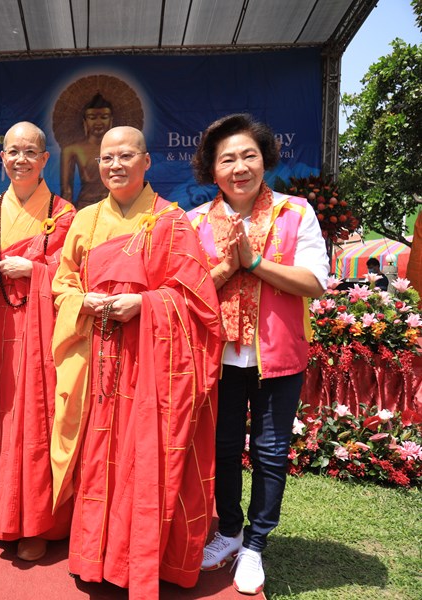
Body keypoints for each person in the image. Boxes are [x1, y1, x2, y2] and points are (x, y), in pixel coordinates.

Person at [51, 126, 221, 597]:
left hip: (154, 369)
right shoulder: (84, 220)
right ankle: (96, 556)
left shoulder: (172, 221)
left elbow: (198, 302)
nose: (115, 166)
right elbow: (62, 284)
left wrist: (145, 306)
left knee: (146, 458)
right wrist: (82, 302)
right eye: (107, 158)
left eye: (126, 156)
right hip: (98, 360)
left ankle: (144, 561)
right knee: (99, 458)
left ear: (147, 162)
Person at [187, 114, 328, 595]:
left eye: (249, 155)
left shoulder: (295, 213)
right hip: (219, 358)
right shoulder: (197, 222)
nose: (239, 167)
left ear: (265, 159)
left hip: (278, 356)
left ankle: (257, 544)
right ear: (212, 168)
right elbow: (189, 289)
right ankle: (229, 531)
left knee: (270, 453)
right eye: (227, 158)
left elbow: (315, 282)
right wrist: (231, 266)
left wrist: (258, 264)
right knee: (222, 449)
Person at [0, 121, 75, 561]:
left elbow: (74, 279)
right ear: (2, 157)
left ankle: (39, 522)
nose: (21, 159)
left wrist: (35, 272)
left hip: (44, 332)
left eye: (30, 151)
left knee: (39, 421)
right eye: (13, 151)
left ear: (45, 158)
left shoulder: (66, 213)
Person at [60, 93, 113, 209]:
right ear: (85, 121)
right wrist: (65, 217)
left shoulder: (119, 149)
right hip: (86, 205)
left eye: (104, 117)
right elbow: (67, 191)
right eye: (92, 118)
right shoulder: (72, 150)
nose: (98, 122)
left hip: (114, 205)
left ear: (111, 120)